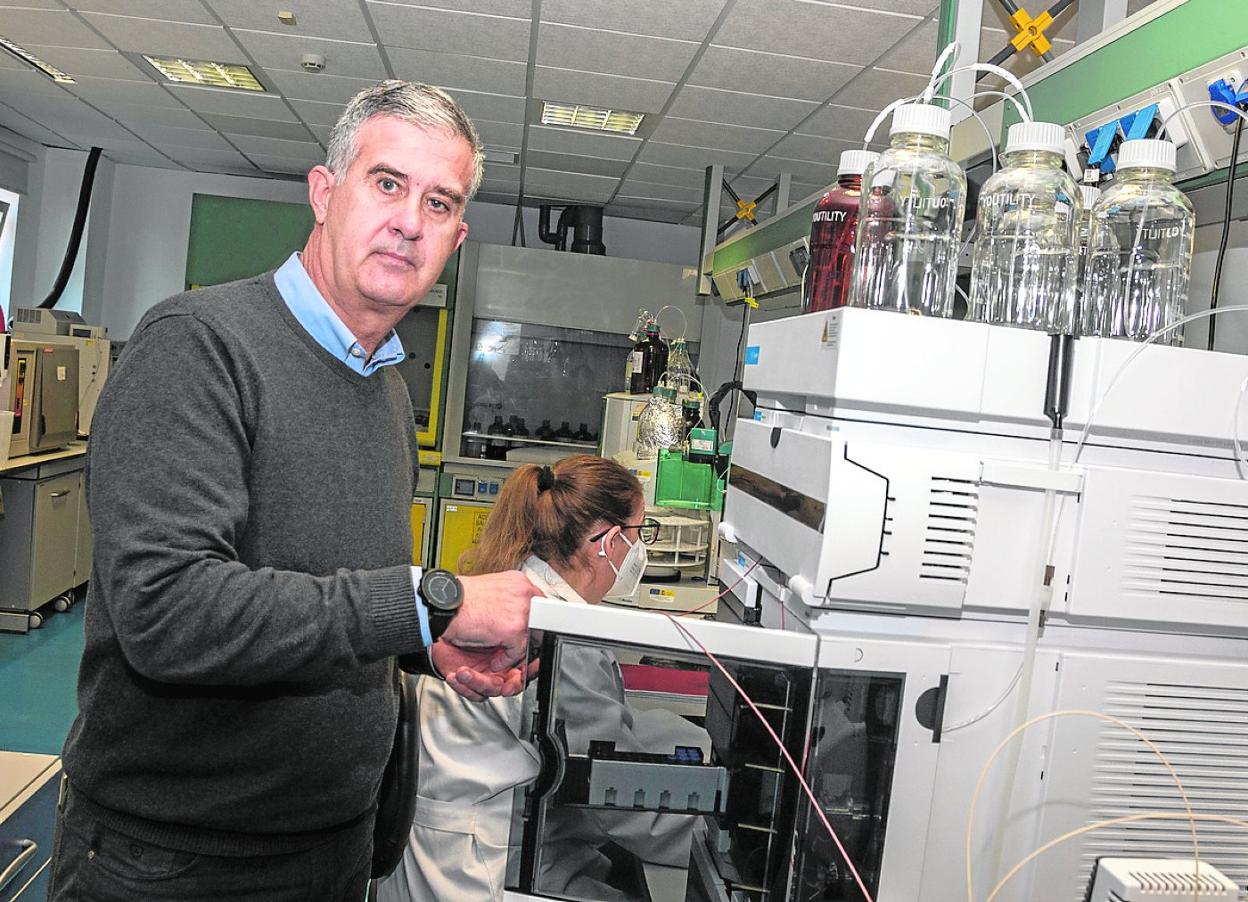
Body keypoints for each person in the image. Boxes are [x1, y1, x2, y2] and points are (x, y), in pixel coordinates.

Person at [48, 81, 538, 901]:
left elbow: (322, 584)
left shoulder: (386, 390)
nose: (409, 221)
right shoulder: (198, 348)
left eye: (439, 202)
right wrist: (429, 602)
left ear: (456, 238)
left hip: (333, 846)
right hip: (178, 863)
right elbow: (166, 613)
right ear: (323, 192)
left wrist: (424, 645)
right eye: (387, 183)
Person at [376, 455, 709, 902]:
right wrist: (717, 839)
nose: (640, 550)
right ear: (610, 543)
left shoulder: (516, 588)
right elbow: (613, 794)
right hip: (483, 867)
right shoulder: (557, 632)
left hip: (449, 847)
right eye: (640, 533)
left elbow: (603, 731)